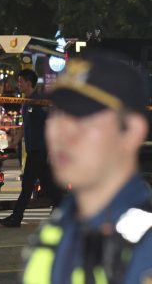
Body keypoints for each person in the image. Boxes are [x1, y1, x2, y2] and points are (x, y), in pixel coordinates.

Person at [22, 51, 152, 284]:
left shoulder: (145, 243)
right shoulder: (52, 235)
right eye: (58, 113)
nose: (62, 132)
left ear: (132, 131)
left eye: (84, 117)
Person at [0, 69, 63, 227]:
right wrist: (14, 142)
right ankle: (64, 210)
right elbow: (24, 126)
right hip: (33, 149)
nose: (18, 84)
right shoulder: (26, 102)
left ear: (28, 82)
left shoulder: (39, 101)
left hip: (39, 150)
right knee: (49, 185)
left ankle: (16, 218)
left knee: (27, 185)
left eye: (20, 81)